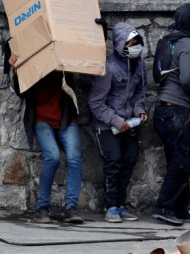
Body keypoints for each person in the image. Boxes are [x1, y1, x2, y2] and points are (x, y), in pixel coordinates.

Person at [151, 3, 190, 226]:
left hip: (161, 110)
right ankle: (164, 207)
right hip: (177, 110)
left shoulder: (169, 41)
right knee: (182, 162)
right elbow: (186, 78)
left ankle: (179, 208)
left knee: (176, 160)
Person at [8, 61, 84, 224]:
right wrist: (16, 70)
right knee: (53, 157)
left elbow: (84, 81)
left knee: (74, 158)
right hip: (42, 118)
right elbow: (21, 91)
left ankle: (71, 208)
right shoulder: (35, 56)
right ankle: (42, 208)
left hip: (65, 117)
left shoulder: (63, 55)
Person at [88, 23, 147, 223]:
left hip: (130, 123)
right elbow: (96, 102)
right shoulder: (108, 68)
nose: (135, 46)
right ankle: (111, 206)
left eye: (136, 42)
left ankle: (121, 205)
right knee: (114, 161)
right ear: (120, 44)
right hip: (107, 125)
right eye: (130, 42)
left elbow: (140, 93)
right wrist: (116, 120)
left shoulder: (139, 65)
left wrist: (140, 110)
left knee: (129, 161)